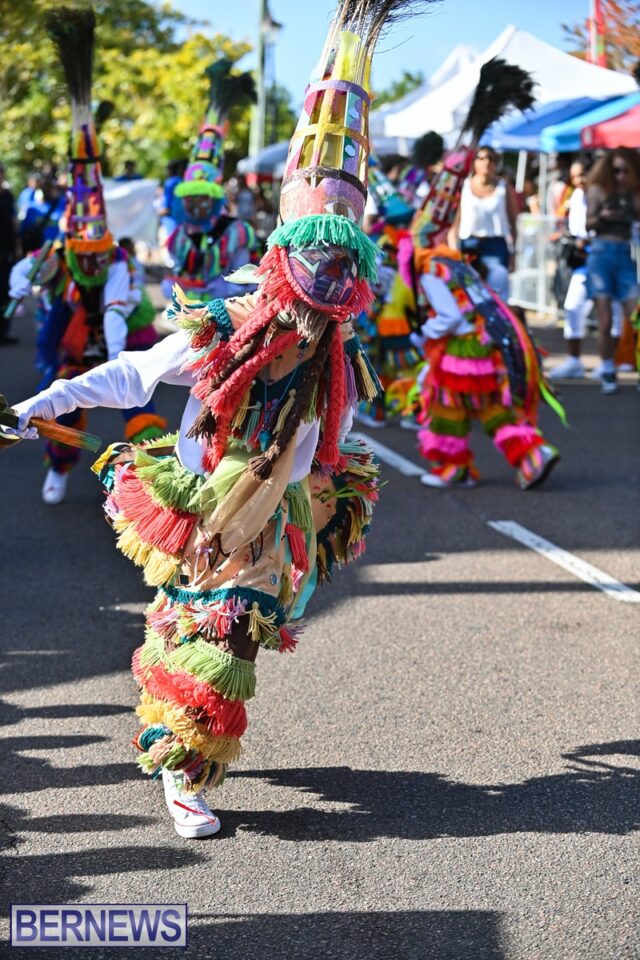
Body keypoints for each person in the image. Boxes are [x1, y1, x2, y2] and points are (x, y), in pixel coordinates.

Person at [8, 0, 396, 840]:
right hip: (196, 495)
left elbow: (329, 440)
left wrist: (304, 496)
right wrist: (45, 401)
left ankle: (183, 739)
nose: (317, 309)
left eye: (336, 286)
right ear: (281, 271)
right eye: (309, 283)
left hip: (265, 513)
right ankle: (182, 768)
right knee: (200, 626)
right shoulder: (222, 330)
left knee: (232, 633)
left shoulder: (338, 357)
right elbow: (129, 373)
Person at [9, 8, 166, 504]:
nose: (95, 263)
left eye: (101, 255)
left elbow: (119, 308)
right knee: (61, 403)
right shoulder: (58, 254)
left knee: (139, 395)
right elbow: (28, 268)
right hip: (73, 338)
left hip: (121, 338)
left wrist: (120, 346)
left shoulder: (118, 261)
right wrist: (19, 280)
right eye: (87, 256)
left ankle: (151, 476)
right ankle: (59, 465)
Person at [163, 59, 257, 303]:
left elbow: (241, 279)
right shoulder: (180, 234)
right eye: (191, 198)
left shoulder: (234, 231)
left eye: (202, 198)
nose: (196, 205)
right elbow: (174, 271)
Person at [585, 148, 640, 394]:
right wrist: (603, 216)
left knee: (635, 316)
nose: (620, 175)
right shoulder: (598, 189)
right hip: (601, 253)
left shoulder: (633, 192)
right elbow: (588, 222)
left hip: (624, 253)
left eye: (625, 171)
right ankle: (607, 369)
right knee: (604, 318)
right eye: (616, 170)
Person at [449, 146, 519, 300]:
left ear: (496, 163)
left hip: (496, 246)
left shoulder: (503, 187)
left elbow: (513, 223)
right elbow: (455, 224)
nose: (486, 162)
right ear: (474, 162)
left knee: (497, 293)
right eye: (481, 158)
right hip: (469, 245)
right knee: (471, 294)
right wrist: (454, 250)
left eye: (490, 159)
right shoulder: (464, 186)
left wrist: (514, 253)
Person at [0, 163, 19, 344]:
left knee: (6, 294)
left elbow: (14, 224)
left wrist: (16, 249)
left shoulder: (8, 197)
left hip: (6, 252)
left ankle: (3, 332)